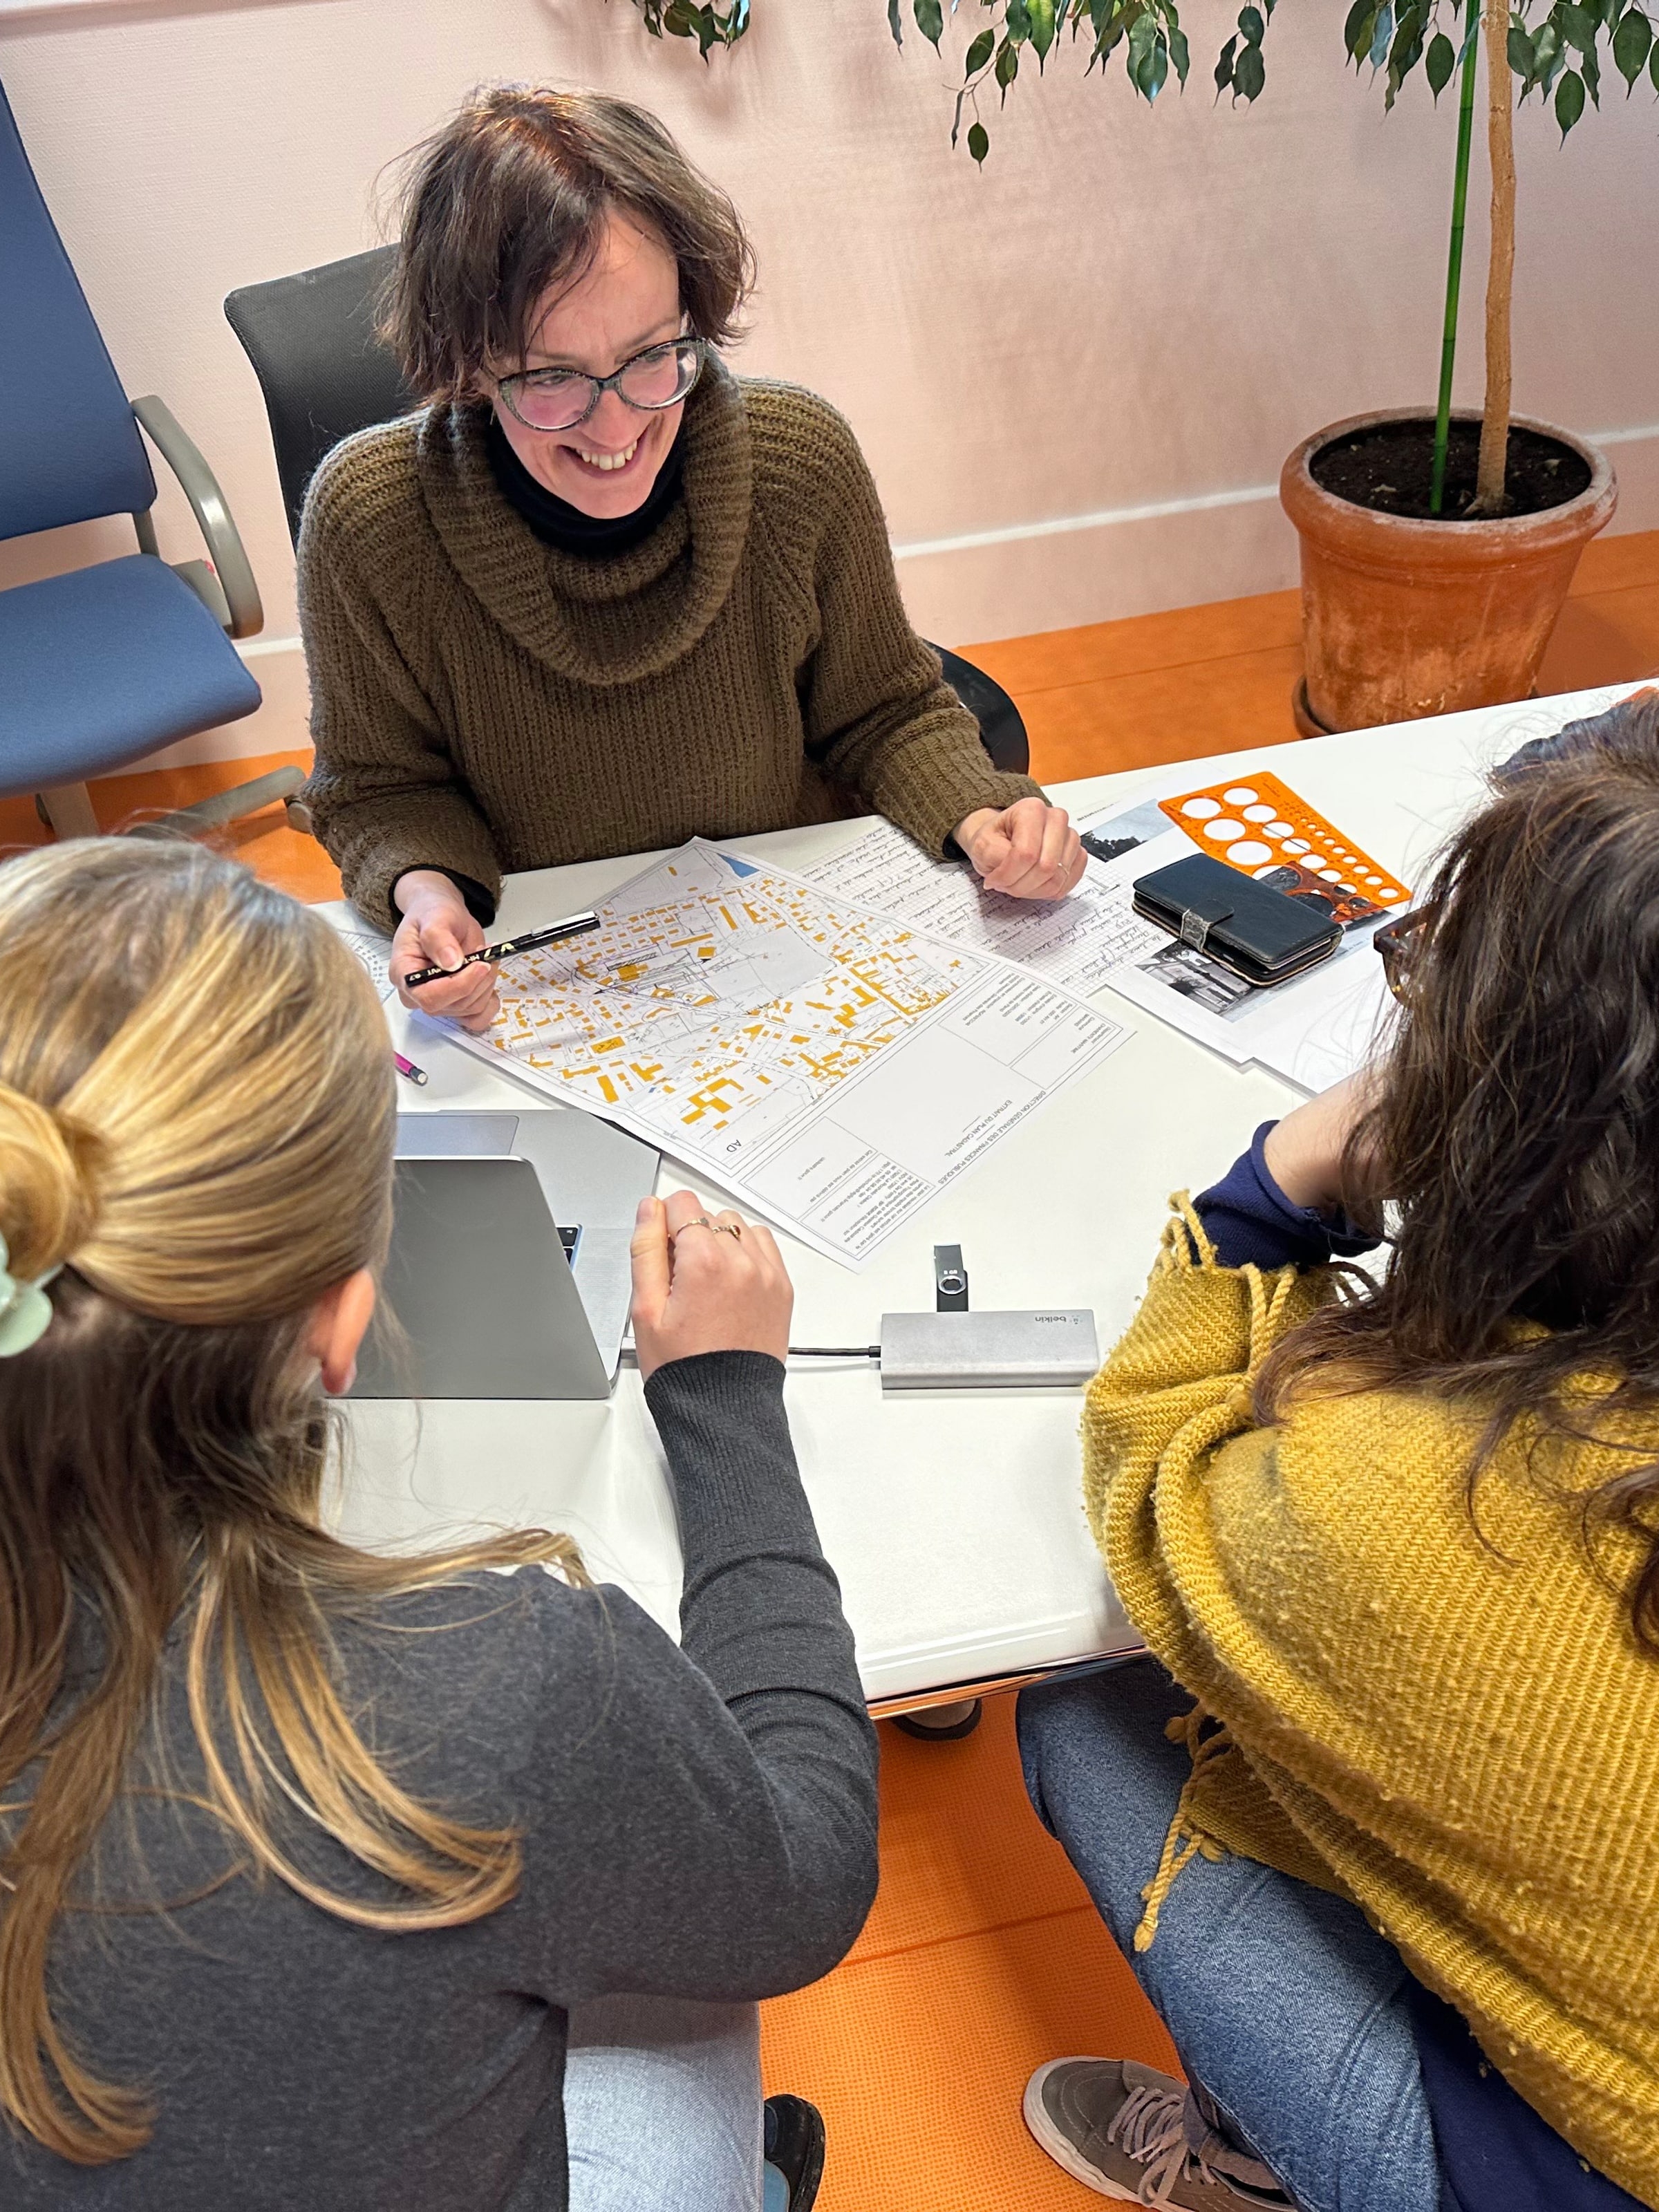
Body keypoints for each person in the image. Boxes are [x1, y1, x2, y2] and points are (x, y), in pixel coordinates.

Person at [0, 838, 877, 2211]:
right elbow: (806, 1874)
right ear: (344, 1319)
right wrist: (725, 1406)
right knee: (665, 1914)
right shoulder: (501, 1684)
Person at [1017, 691, 1659, 2211]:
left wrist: (1269, 1190)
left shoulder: (1421, 1495)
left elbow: (1158, 1481)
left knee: (1088, 1716)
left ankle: (1251, 2161)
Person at [297, 85, 1086, 1034]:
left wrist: (980, 814)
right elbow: (380, 785)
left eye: (651, 354)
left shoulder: (798, 462)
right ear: (468, 365)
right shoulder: (372, 519)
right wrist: (426, 895)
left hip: (790, 949)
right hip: (552, 982)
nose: (618, 423)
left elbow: (883, 707)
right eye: (550, 377)